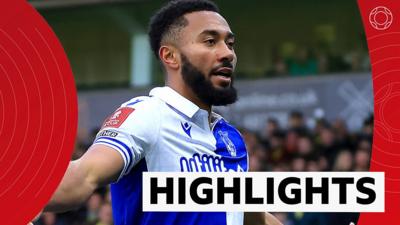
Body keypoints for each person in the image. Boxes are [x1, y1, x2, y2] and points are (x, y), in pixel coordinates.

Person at [29, 1, 282, 225]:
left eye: (230, 43)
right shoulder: (148, 115)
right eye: (210, 41)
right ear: (170, 56)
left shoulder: (231, 139)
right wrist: (19, 199)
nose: (227, 53)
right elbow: (83, 176)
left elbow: (247, 212)